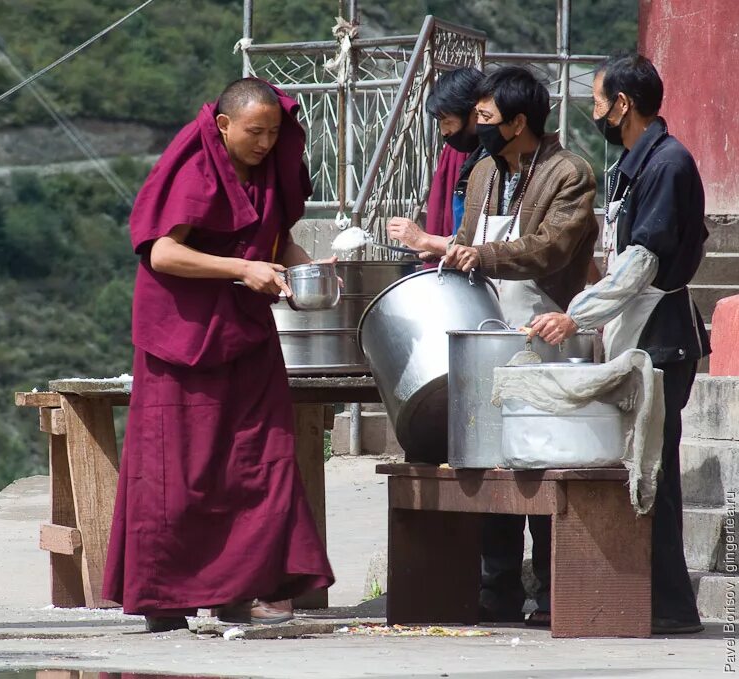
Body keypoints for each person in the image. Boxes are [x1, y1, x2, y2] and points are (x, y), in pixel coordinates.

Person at [103, 77, 335, 633]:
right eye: (255, 132)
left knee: (260, 458)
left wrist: (306, 267)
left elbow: (275, 238)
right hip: (181, 337)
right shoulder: (195, 166)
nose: (264, 143)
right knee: (176, 470)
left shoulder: (268, 170)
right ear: (224, 125)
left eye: (274, 132)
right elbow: (162, 252)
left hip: (246, 333)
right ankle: (166, 598)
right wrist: (242, 269)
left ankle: (244, 588)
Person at [530, 53, 708, 635]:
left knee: (652, 470)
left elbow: (641, 265)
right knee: (639, 469)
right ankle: (650, 600)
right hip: (636, 333)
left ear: (623, 105)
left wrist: (574, 317)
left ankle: (670, 606)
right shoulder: (638, 163)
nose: (595, 113)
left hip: (662, 339)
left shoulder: (669, 164)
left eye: (599, 102)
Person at [448, 66, 598, 627]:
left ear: (517, 123)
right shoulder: (486, 169)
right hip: (488, 335)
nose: (477, 128)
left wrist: (481, 256)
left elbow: (551, 250)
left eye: (486, 119)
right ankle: (498, 585)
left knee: (540, 456)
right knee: (491, 458)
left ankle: (553, 586)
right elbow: (466, 242)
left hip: (547, 333)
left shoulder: (569, 173)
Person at [386, 66, 487, 252]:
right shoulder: (473, 160)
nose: (444, 132)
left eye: (448, 122)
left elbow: (489, 245)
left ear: (475, 114)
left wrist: (426, 240)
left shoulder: (500, 164)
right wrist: (439, 248)